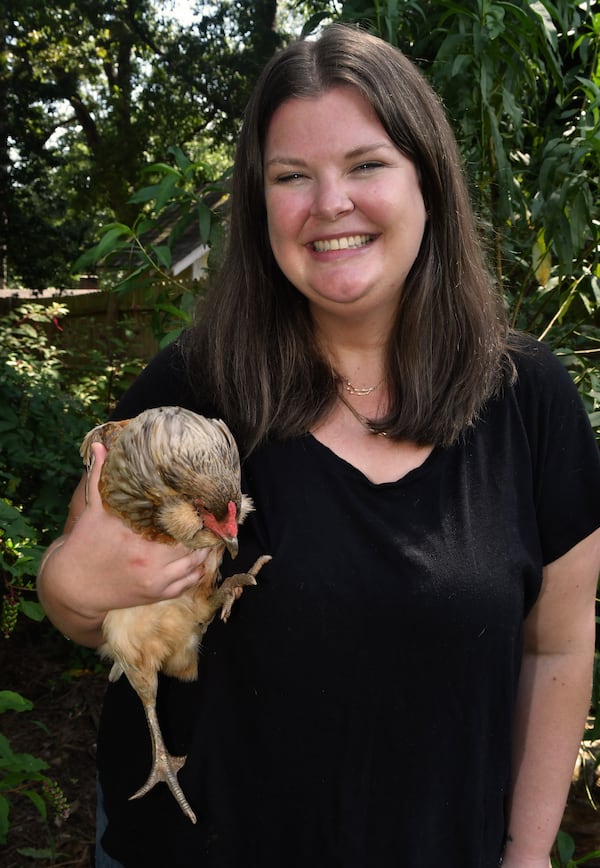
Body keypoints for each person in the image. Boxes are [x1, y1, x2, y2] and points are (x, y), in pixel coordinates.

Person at [37, 23, 600, 868]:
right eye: (292, 176)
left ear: (429, 184)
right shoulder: (190, 392)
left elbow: (556, 645)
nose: (328, 202)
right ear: (263, 205)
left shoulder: (530, 400)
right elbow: (81, 596)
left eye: (366, 164)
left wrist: (523, 856)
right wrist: (73, 588)